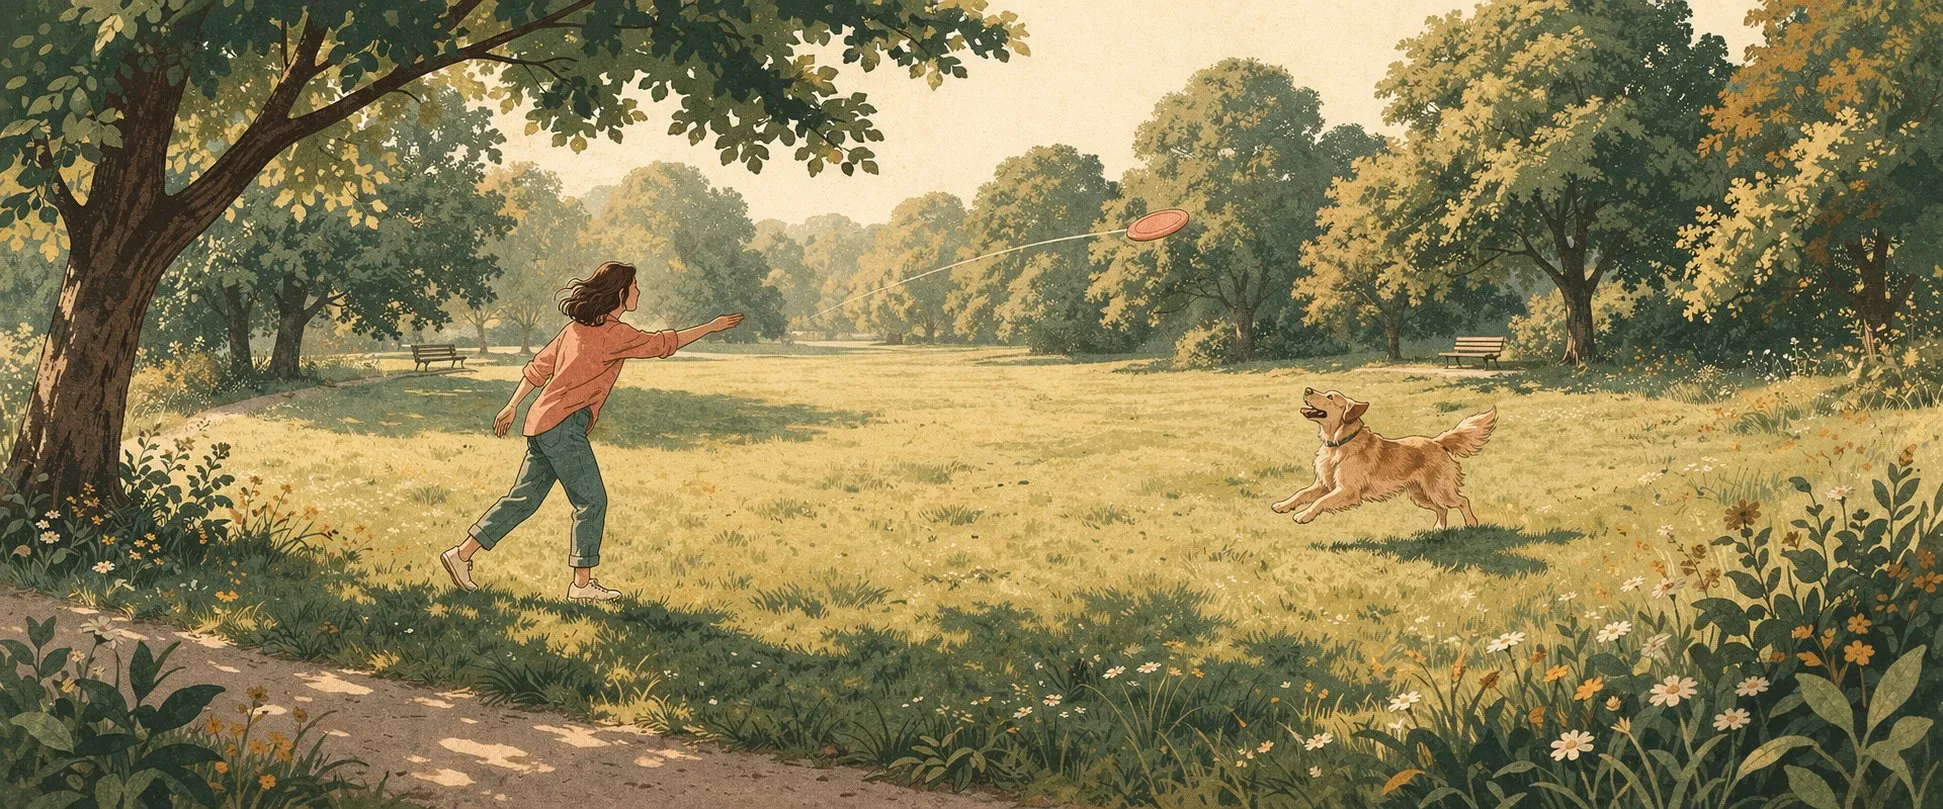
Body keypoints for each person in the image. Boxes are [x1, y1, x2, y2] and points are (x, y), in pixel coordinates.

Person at [439, 261, 743, 601]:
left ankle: (460, 554)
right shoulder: (614, 334)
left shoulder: (574, 329)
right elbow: (663, 344)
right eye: (635, 287)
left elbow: (538, 369)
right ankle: (581, 586)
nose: (639, 291)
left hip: (540, 423)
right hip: (564, 427)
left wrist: (512, 406)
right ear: (620, 293)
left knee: (523, 499)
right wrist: (711, 327)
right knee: (592, 500)